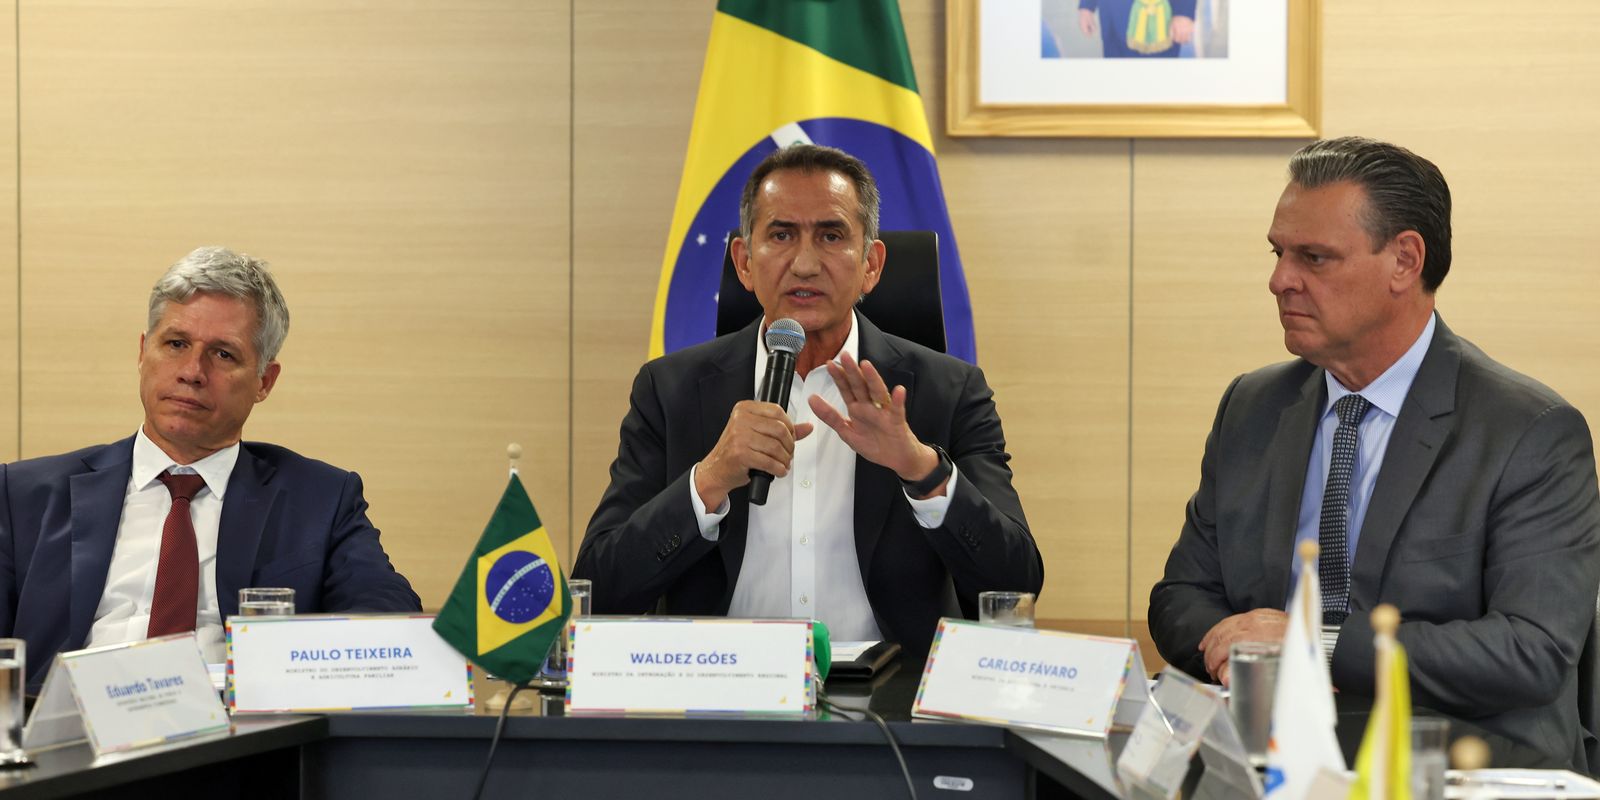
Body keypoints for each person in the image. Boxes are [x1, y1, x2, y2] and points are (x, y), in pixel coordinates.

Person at [1148, 136, 1600, 768]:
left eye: (1314, 257)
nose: (1279, 280)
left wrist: (1316, 648)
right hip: (1266, 750)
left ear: (1405, 261)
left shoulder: (1529, 430)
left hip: (1456, 761)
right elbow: (1180, 597)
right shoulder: (1252, 406)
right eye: (1279, 253)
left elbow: (1530, 650)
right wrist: (1252, 657)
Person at [574, 144, 1041, 656]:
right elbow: (599, 592)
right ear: (744, 262)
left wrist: (923, 471)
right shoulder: (670, 391)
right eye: (781, 235)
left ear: (871, 265)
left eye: (831, 236)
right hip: (720, 686)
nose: (804, 263)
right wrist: (708, 480)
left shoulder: (948, 392)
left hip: (891, 695)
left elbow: (1015, 585)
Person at [0, 247, 420, 685]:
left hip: (237, 722)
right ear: (143, 352)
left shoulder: (320, 500)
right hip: (67, 720)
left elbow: (387, 621)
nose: (192, 371)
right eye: (176, 344)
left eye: (223, 354)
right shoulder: (22, 495)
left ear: (264, 381)